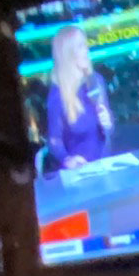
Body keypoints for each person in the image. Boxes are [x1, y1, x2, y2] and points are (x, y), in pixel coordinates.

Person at [45, 23, 114, 171]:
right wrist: (67, 159)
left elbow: (108, 130)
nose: (86, 50)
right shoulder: (57, 96)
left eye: (85, 45)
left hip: (104, 165)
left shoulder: (95, 81)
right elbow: (54, 140)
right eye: (81, 46)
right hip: (78, 171)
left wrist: (108, 123)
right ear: (68, 54)